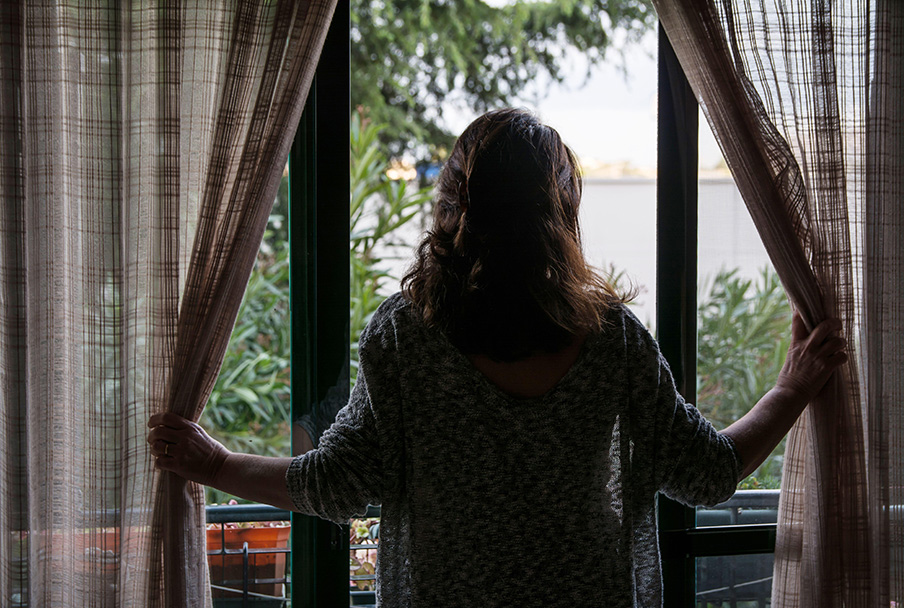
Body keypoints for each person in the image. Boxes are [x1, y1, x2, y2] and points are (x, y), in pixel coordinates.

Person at [147, 108, 847, 606]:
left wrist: (215, 464)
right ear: (561, 213)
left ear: (455, 210)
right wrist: (791, 388)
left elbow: (340, 486)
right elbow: (707, 473)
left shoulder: (408, 336)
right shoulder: (611, 339)